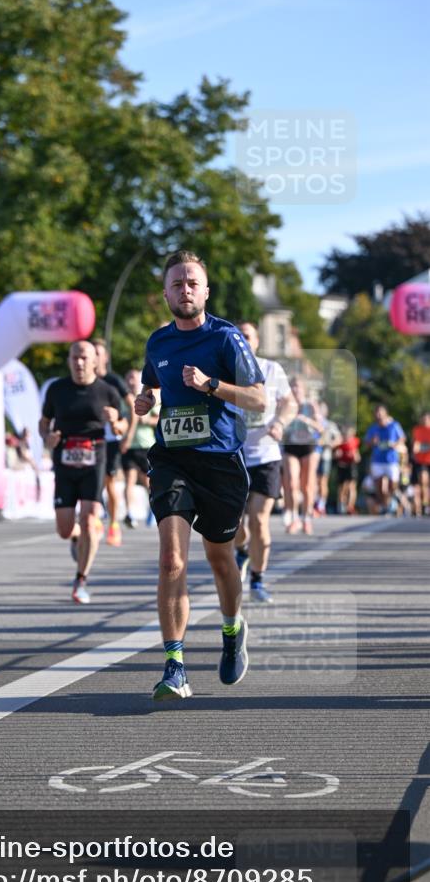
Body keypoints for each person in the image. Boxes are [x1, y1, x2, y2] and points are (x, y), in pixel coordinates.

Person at [135, 250, 265, 701]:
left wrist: (212, 385)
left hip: (220, 464)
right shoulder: (158, 342)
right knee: (172, 559)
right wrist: (146, 399)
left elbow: (258, 399)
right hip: (173, 460)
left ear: (205, 291)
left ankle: (232, 629)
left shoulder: (227, 339)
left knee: (219, 559)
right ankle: (175, 665)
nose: (184, 290)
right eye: (177, 284)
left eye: (192, 283)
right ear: (166, 292)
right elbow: (153, 382)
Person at [39, 340, 124, 604]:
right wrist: (47, 438)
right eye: (75, 357)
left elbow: (121, 426)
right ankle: (76, 538)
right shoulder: (56, 389)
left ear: (95, 361)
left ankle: (81, 580)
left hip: (94, 459)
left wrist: (115, 422)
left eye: (84, 358)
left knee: (89, 519)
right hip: (64, 460)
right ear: (69, 360)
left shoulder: (108, 391)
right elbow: (44, 423)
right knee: (65, 529)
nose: (79, 362)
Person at [233, 321, 297, 604]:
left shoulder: (272, 369)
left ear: (257, 341)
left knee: (259, 520)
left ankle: (257, 578)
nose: (243, 341)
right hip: (233, 454)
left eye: (247, 336)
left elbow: (290, 403)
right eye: (239, 336)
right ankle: (242, 550)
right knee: (234, 523)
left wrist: (281, 422)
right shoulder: (224, 369)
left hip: (266, 454)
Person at [93, 338, 133, 547]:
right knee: (94, 481)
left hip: (111, 438)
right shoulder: (85, 381)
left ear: (105, 357)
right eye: (94, 353)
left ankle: (113, 524)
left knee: (109, 482)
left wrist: (127, 433)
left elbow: (132, 407)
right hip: (91, 438)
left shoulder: (113, 380)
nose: (96, 357)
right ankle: (97, 518)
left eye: (99, 353)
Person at [281, 377, 323, 534]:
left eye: (297, 386)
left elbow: (320, 428)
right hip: (291, 446)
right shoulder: (285, 405)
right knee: (291, 483)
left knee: (307, 486)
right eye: (292, 386)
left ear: (303, 389)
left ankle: (307, 518)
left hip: (309, 447)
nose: (295, 389)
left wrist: (305, 420)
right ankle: (294, 518)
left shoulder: (311, 405)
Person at [121, 368, 159, 528]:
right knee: (128, 480)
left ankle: (154, 510)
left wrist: (146, 421)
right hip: (129, 446)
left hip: (145, 445)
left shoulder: (148, 396)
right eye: (128, 378)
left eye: (134, 378)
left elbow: (159, 419)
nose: (131, 381)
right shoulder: (122, 400)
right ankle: (129, 513)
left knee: (147, 482)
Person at [363, 404, 405, 514]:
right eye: (376, 413)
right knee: (380, 488)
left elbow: (402, 438)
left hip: (391, 460)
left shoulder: (394, 426)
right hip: (377, 461)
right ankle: (385, 506)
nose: (378, 415)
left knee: (393, 486)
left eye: (380, 412)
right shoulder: (373, 428)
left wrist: (394, 444)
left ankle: (391, 501)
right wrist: (372, 442)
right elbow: (366, 443)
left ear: (385, 413)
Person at [315, 402, 342, 515]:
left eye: (322, 410)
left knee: (322, 481)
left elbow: (339, 439)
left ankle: (321, 505)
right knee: (313, 481)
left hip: (325, 455)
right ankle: (314, 503)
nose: (320, 412)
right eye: (318, 409)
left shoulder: (330, 425)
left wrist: (329, 444)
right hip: (312, 455)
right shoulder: (312, 422)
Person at [333, 425, 360, 515]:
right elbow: (335, 454)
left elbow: (357, 457)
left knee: (351, 486)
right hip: (341, 466)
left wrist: (354, 455)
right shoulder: (339, 442)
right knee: (342, 487)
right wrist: (337, 454)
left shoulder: (355, 442)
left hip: (351, 466)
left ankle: (350, 506)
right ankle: (341, 505)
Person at [410, 411, 430, 517]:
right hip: (421, 461)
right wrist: (415, 449)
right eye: (423, 419)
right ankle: (424, 504)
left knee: (426, 485)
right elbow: (415, 445)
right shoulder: (417, 430)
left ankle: (426, 504)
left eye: (427, 419)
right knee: (423, 481)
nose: (425, 421)